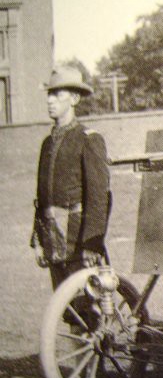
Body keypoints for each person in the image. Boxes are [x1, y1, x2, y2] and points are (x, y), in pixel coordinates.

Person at [30, 66, 110, 289]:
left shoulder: (88, 139)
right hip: (52, 236)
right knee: (66, 307)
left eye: (57, 94)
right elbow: (41, 197)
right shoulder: (48, 143)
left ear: (74, 98)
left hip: (78, 240)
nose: (50, 100)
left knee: (86, 305)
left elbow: (98, 196)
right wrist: (38, 240)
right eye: (49, 94)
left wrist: (92, 243)